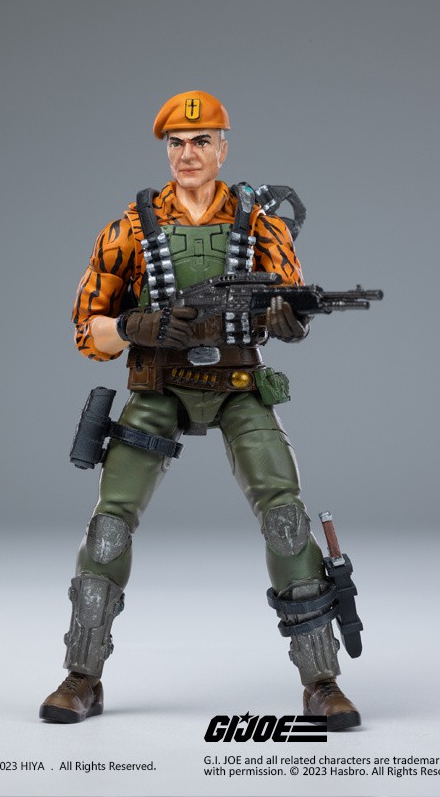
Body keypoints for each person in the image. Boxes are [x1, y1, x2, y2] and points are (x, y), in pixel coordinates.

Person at [39, 91, 360, 729]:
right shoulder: (129, 230)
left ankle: (321, 682)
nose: (189, 154)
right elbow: (87, 329)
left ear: (223, 148)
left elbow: (292, 304)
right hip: (158, 386)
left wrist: (289, 320)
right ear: (168, 150)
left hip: (238, 384)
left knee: (286, 518)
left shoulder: (260, 226)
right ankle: (82, 676)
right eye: (178, 143)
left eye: (202, 141)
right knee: (109, 527)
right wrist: (135, 326)